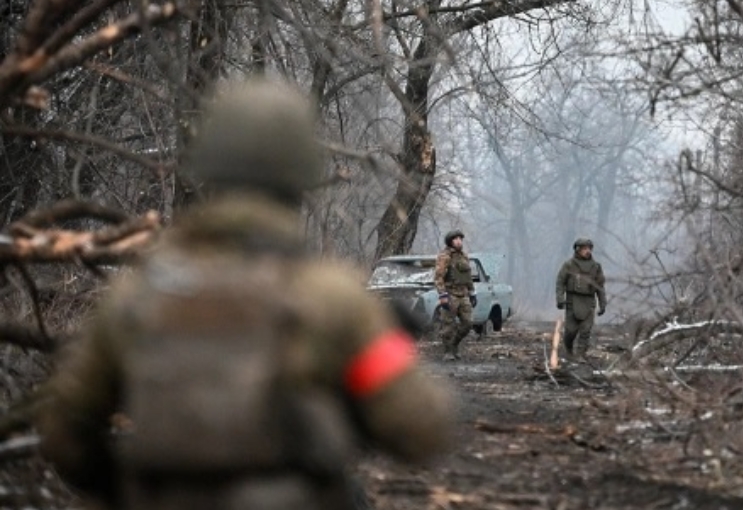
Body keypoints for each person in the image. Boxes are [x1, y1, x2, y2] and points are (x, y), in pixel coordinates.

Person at [36, 78, 454, 510]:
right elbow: (422, 430)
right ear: (301, 177)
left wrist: (125, 488)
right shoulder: (331, 299)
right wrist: (382, 355)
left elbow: (65, 431)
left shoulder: (138, 294)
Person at [555, 237, 607, 362]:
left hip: (589, 301)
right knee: (571, 330)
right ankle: (568, 348)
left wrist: (602, 303)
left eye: (589, 248)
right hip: (573, 300)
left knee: (586, 330)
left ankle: (580, 354)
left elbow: (600, 286)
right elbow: (560, 282)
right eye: (584, 249)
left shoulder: (596, 267)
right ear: (578, 250)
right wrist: (560, 298)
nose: (587, 251)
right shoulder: (569, 265)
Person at [434, 229, 477, 361]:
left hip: (463, 294)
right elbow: (438, 277)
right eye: (455, 239)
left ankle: (454, 345)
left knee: (468, 323)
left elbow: (467, 276)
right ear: (450, 241)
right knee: (448, 325)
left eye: (460, 239)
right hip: (450, 293)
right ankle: (448, 351)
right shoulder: (445, 256)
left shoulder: (464, 256)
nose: (459, 241)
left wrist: (472, 292)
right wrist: (442, 295)